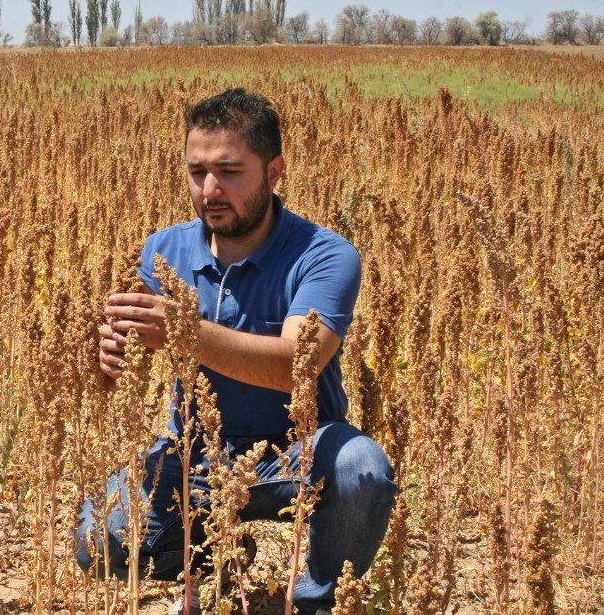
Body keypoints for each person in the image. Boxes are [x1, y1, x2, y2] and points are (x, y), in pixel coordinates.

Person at [75, 88, 397, 615]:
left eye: (229, 170)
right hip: (196, 457)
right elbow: (125, 357)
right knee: (98, 542)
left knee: (361, 469)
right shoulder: (165, 249)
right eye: (197, 171)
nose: (210, 189)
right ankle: (219, 561)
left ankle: (311, 602)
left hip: (298, 450)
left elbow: (299, 365)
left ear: (275, 172)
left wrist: (184, 331)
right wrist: (110, 354)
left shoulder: (325, 255)